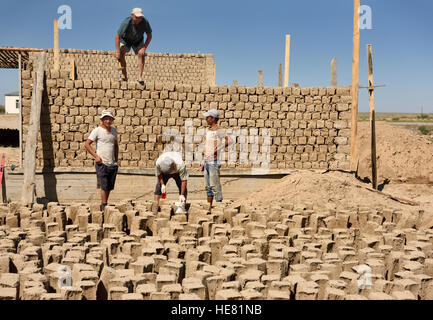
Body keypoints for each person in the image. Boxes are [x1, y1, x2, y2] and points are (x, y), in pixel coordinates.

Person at [84, 110, 119, 212]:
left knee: (109, 185)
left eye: (110, 119)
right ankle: (104, 205)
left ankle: (105, 203)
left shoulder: (113, 131)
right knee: (103, 185)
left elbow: (116, 146)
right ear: (103, 120)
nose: (108, 121)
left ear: (112, 120)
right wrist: (96, 157)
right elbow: (87, 144)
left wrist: (116, 160)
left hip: (111, 163)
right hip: (102, 163)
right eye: (106, 119)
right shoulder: (97, 131)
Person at [201, 109, 232, 214]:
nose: (206, 119)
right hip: (207, 162)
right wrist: (203, 162)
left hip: (214, 162)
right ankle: (209, 208)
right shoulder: (209, 130)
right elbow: (207, 146)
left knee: (215, 186)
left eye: (208, 117)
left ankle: (219, 209)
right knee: (208, 186)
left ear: (213, 118)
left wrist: (218, 149)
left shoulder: (219, 129)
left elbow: (230, 140)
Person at [115, 8, 152, 83]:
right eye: (137, 17)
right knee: (122, 53)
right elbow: (117, 37)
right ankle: (124, 77)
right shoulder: (126, 22)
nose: (139, 19)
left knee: (141, 54)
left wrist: (144, 48)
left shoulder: (145, 22)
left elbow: (149, 36)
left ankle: (139, 77)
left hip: (138, 40)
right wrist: (118, 51)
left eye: (140, 17)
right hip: (126, 40)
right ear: (132, 15)